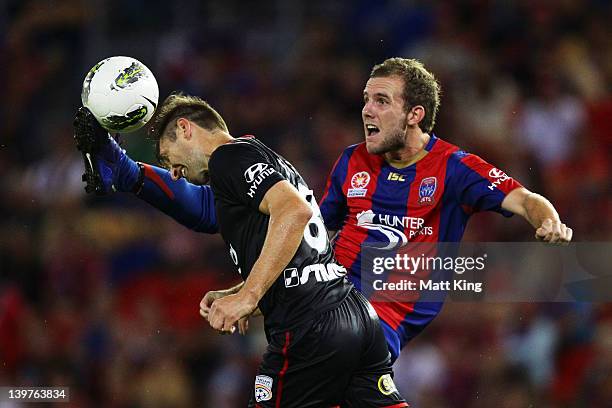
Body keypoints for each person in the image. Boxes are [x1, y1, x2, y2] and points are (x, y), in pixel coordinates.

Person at [74, 57, 572, 365]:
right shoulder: (352, 162)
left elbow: (525, 199)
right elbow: (309, 232)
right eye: (365, 99)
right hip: (326, 305)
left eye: (381, 101)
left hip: (370, 320)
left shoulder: (455, 167)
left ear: (415, 114)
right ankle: (129, 173)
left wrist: (545, 219)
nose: (367, 111)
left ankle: (126, 171)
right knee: (236, 206)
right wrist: (251, 287)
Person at [73, 96, 407, 407]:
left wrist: (249, 294)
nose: (173, 171)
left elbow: (294, 212)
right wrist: (130, 173)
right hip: (353, 315)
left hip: (309, 326)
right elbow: (207, 211)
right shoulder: (256, 158)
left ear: (185, 129)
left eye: (166, 157)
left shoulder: (228, 158)